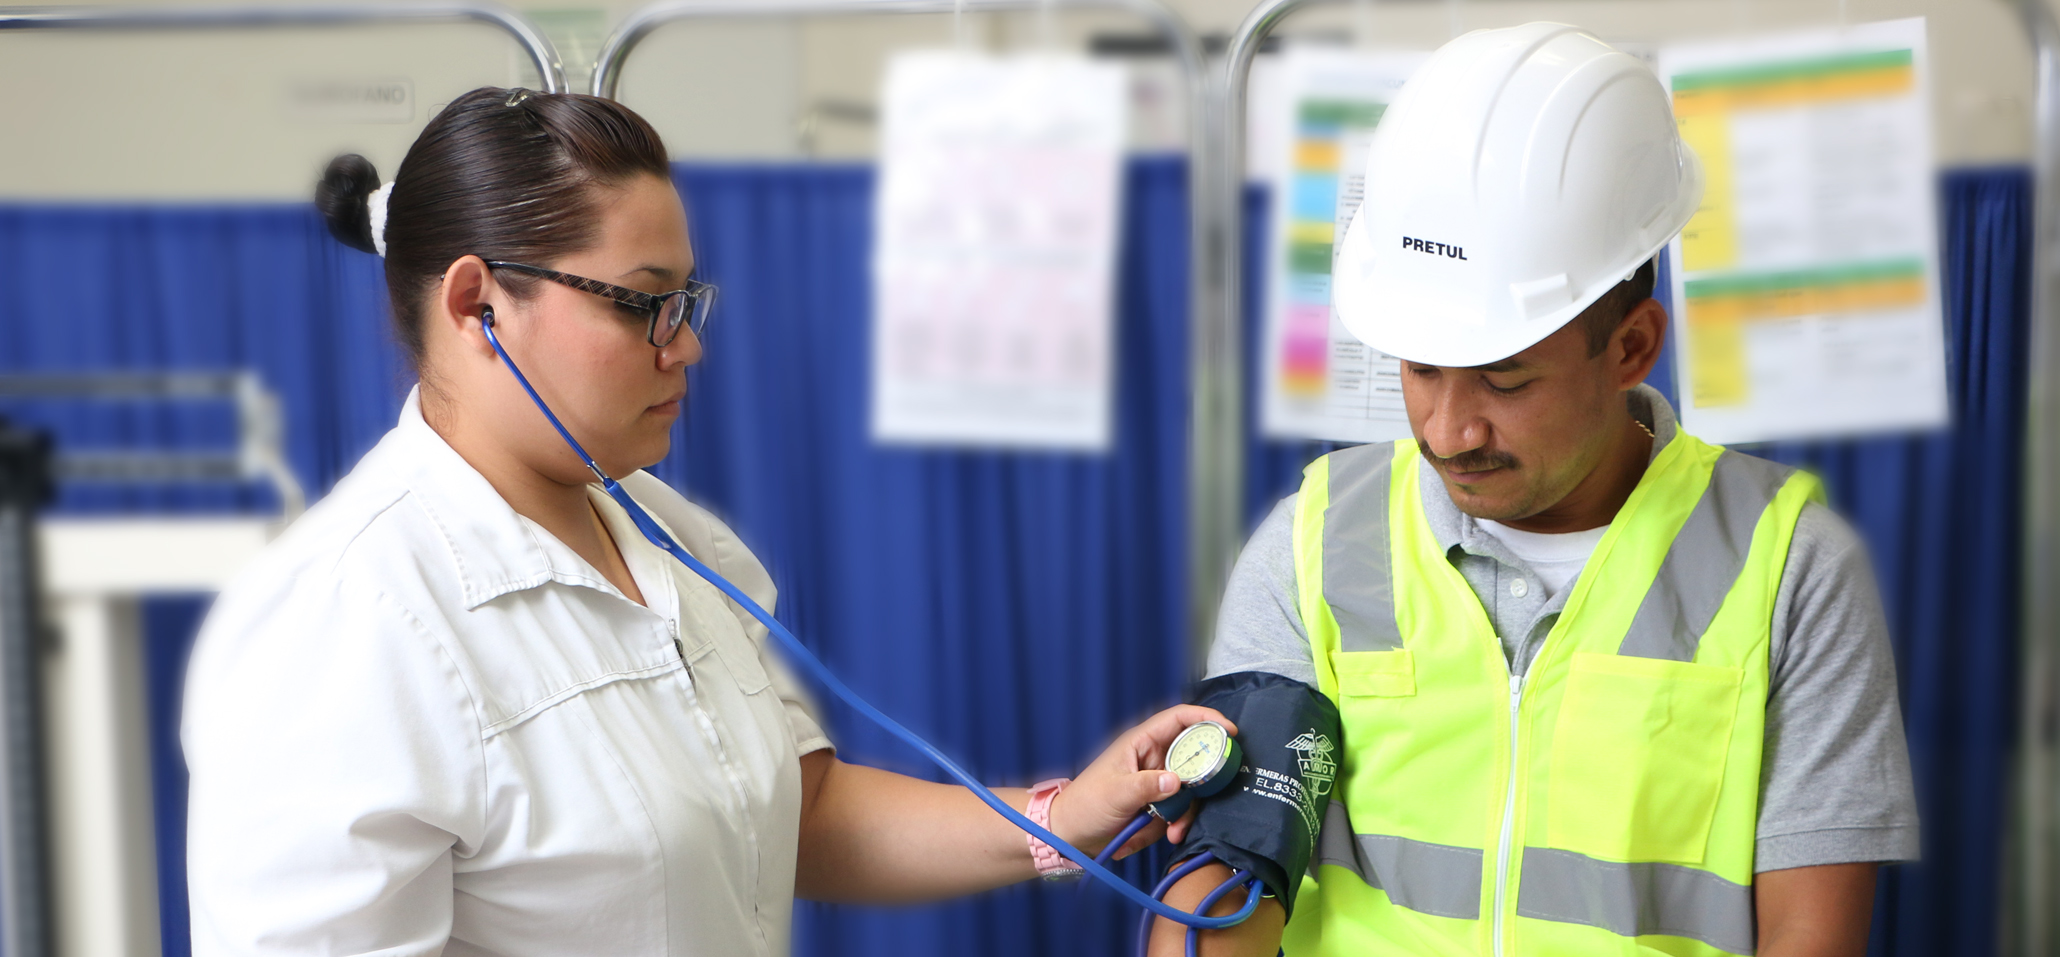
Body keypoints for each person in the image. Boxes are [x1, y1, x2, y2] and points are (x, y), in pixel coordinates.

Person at [182, 87, 1229, 954]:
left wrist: (1057, 820)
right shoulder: (340, 624)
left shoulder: (666, 534)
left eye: (687, 305)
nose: (684, 349)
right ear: (476, 306)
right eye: (643, 306)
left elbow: (794, 816)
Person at [1150, 23, 1917, 957]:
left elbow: (1812, 935)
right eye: (1420, 370)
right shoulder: (1314, 538)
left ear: (1632, 345)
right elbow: (1224, 889)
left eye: (1505, 381)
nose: (1447, 431)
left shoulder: (1790, 566)